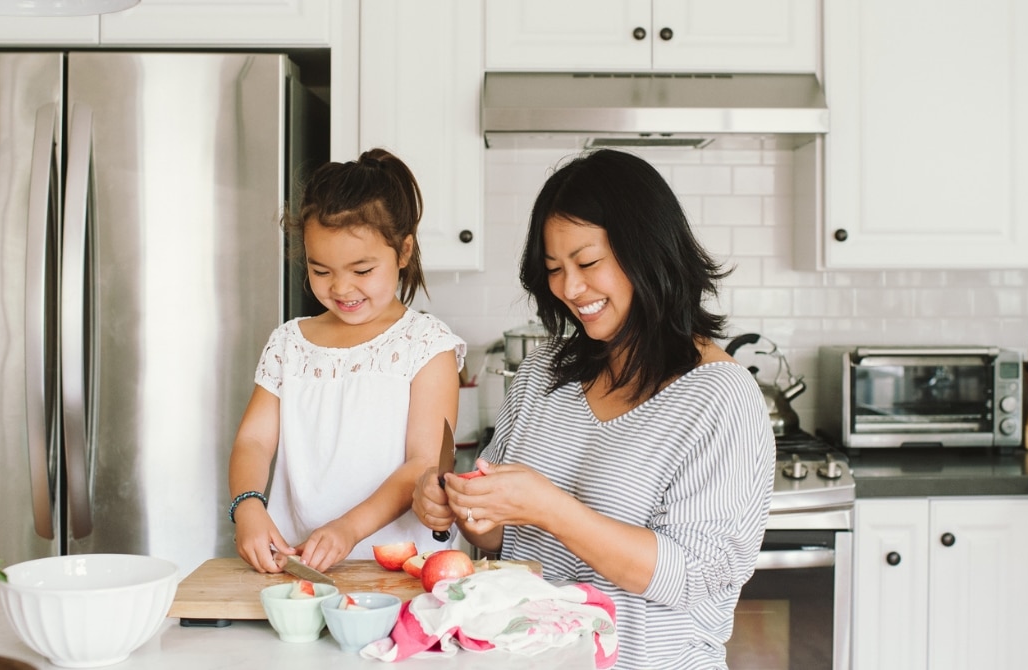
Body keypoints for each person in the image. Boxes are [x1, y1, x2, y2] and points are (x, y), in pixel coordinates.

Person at [412, 149, 775, 669]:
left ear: (647, 250)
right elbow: (501, 538)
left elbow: (694, 577)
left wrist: (550, 507)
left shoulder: (719, 397)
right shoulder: (543, 371)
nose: (569, 288)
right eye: (555, 269)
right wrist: (460, 506)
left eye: (587, 263)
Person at [230, 148, 466, 574]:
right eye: (321, 271)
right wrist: (247, 506)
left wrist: (348, 529)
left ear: (404, 251)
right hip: (296, 567)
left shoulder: (427, 345)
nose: (341, 288)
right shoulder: (289, 343)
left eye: (361, 270)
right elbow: (253, 441)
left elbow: (422, 462)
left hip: (400, 573)